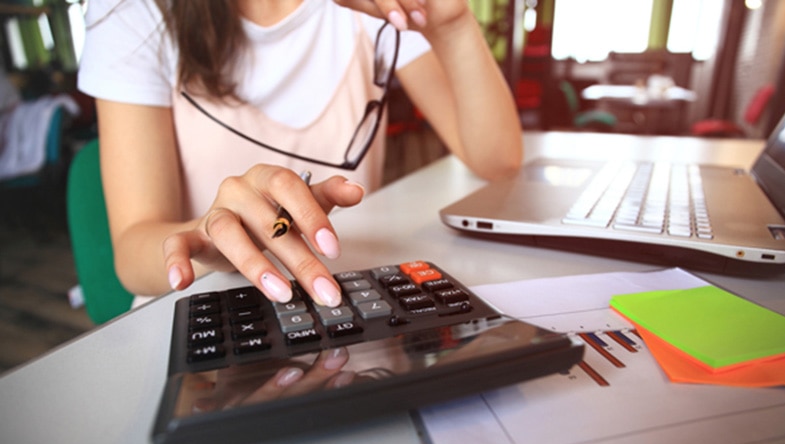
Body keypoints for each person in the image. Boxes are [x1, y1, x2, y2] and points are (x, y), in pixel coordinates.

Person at [77, 0, 522, 309]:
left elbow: (497, 159)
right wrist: (212, 236)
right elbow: (133, 254)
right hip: (213, 306)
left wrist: (453, 23)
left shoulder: (370, 12)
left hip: (351, 294)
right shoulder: (135, 14)